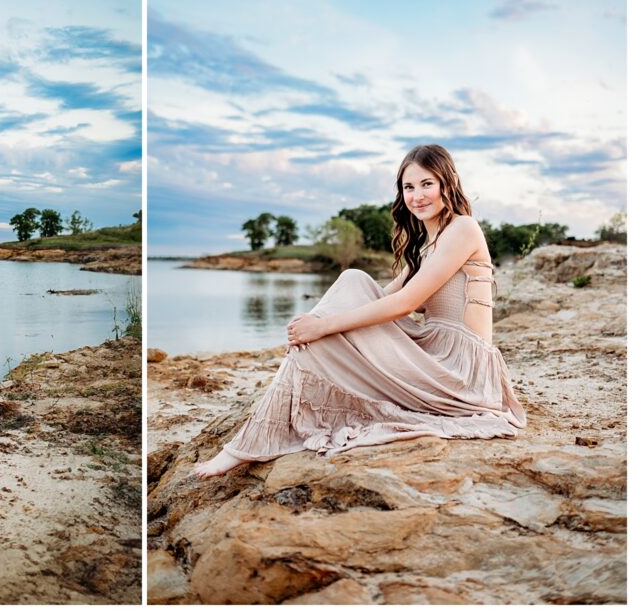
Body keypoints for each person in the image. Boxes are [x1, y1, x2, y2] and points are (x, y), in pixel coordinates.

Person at [194, 144, 527, 478]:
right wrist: (323, 327)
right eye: (408, 187)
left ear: (447, 183)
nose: (417, 195)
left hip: (460, 372)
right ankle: (259, 430)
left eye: (427, 183)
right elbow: (377, 298)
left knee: (341, 302)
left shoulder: (463, 228)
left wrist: (323, 327)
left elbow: (405, 304)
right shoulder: (428, 243)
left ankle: (247, 444)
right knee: (351, 282)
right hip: (434, 353)